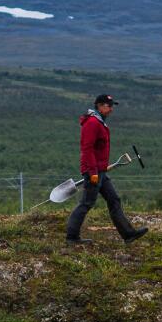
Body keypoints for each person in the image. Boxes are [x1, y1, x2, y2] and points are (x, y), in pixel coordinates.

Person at [66, 93, 148, 246]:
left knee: (114, 199)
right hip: (94, 172)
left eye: (112, 106)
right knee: (87, 203)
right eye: (108, 106)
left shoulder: (99, 122)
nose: (111, 109)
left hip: (101, 171)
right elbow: (87, 149)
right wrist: (93, 172)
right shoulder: (92, 123)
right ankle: (72, 237)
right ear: (100, 106)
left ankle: (128, 234)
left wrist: (99, 170)